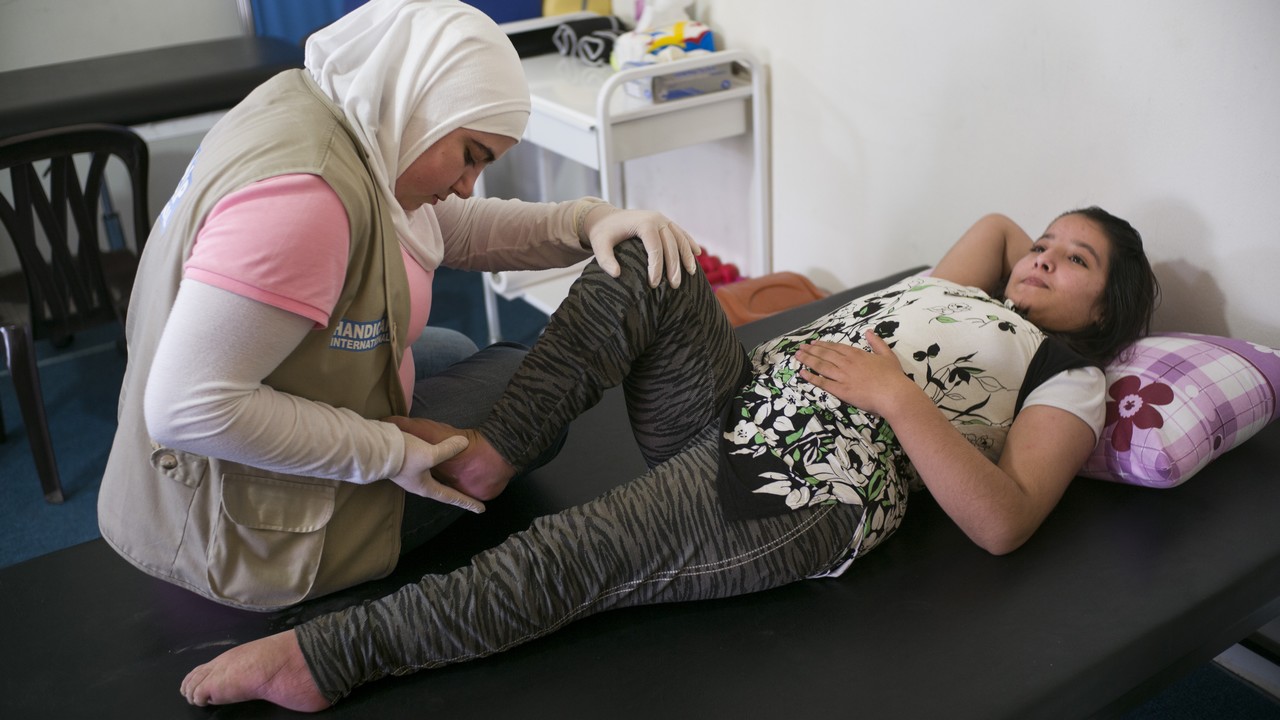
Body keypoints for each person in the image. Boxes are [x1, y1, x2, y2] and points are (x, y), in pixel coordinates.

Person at [179, 207, 1160, 710]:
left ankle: (328, 660)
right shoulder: (960, 290)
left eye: (1072, 259)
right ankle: (495, 453)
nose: (1037, 254)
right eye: (1043, 241)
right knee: (650, 257)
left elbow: (1002, 521)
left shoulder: (1066, 371)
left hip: (806, 473)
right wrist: (1040, 251)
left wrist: (898, 396)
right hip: (737, 395)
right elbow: (995, 228)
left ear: (1104, 311)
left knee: (577, 547)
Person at [96, 0, 703, 611]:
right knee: (523, 395)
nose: (468, 183)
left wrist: (587, 219)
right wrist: (391, 454)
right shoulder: (305, 199)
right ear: (422, 102)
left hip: (186, 443)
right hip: (227, 529)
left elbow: (455, 225)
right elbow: (188, 410)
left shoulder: (330, 107)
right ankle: (415, 495)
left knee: (450, 349)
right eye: (471, 154)